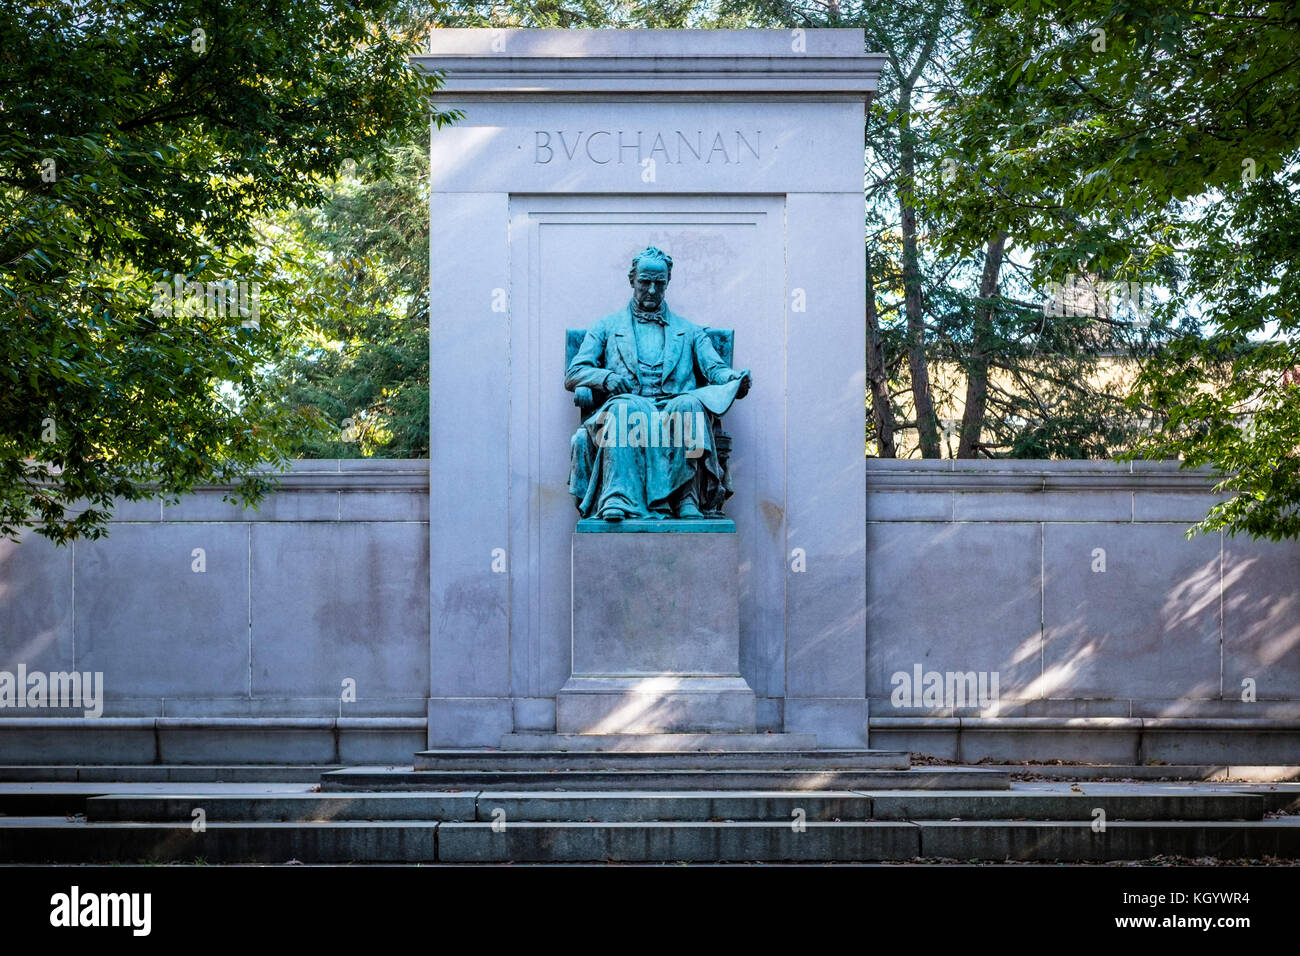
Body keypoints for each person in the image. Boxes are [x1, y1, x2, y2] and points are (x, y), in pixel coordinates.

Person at [565, 246, 751, 521]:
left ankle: (686, 499)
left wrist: (735, 381)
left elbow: (715, 369)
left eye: (659, 283)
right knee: (627, 410)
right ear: (632, 280)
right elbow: (575, 373)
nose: (652, 290)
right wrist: (606, 378)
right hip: (628, 404)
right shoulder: (605, 327)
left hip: (673, 406)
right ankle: (618, 497)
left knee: (689, 404)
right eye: (645, 282)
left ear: (667, 283)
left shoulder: (689, 331)